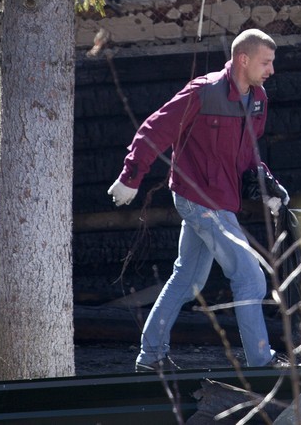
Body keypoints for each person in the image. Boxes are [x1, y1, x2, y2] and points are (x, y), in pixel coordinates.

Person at [107, 28, 289, 372]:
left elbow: (249, 154)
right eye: (266, 63)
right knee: (251, 278)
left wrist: (269, 188)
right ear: (243, 59)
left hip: (222, 200)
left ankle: (150, 358)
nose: (271, 70)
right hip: (197, 199)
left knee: (187, 280)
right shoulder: (203, 92)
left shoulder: (258, 99)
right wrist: (131, 177)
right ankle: (261, 365)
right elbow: (154, 129)